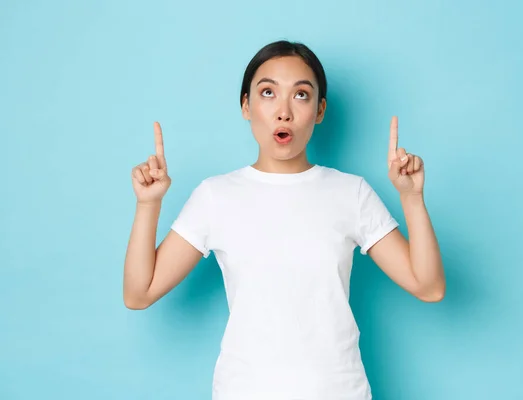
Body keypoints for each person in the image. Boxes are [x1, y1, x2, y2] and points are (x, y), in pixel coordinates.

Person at [123, 40, 445, 400]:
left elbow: (428, 286)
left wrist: (412, 198)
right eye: (268, 93)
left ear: (320, 110)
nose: (284, 112)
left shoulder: (350, 193)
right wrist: (148, 204)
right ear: (246, 105)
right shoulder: (216, 196)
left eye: (302, 95)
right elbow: (139, 293)